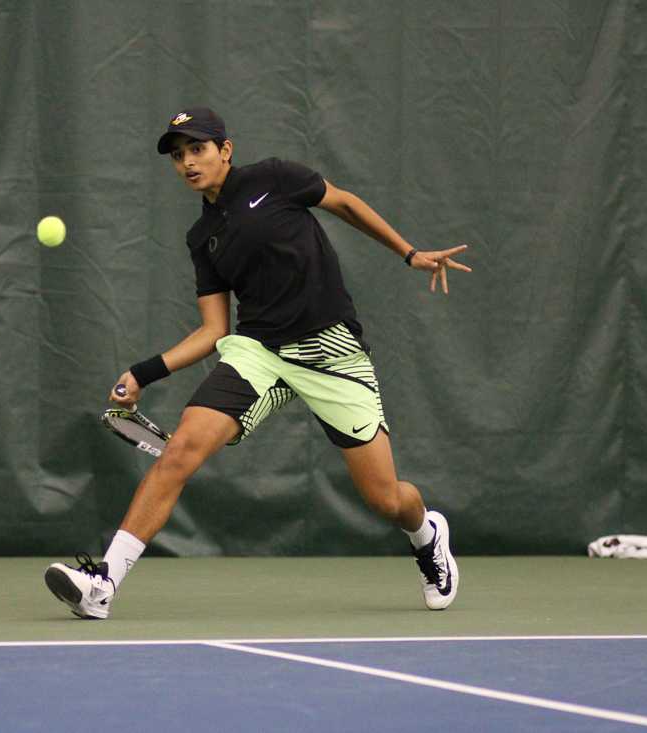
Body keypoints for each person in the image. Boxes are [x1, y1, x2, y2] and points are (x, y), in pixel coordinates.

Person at [45, 107, 472, 619]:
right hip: (259, 353)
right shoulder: (202, 238)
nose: (187, 162)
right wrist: (143, 372)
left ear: (225, 150)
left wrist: (410, 253)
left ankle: (426, 534)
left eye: (197, 149)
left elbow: (347, 205)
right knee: (180, 448)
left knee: (385, 499)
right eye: (178, 156)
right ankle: (103, 584)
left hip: (331, 350)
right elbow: (213, 331)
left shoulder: (275, 178)